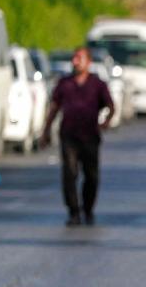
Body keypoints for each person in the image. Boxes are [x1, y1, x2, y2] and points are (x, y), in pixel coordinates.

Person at [40, 47, 114, 226]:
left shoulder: (97, 84)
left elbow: (110, 106)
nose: (75, 62)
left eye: (79, 58)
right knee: (70, 173)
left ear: (88, 62)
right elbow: (54, 107)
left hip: (90, 136)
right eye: (74, 58)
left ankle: (88, 209)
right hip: (69, 136)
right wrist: (46, 131)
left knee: (91, 176)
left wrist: (105, 122)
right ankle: (74, 211)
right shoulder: (65, 83)